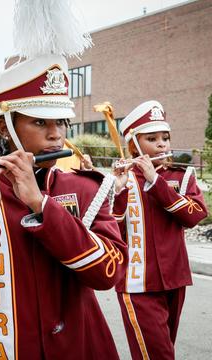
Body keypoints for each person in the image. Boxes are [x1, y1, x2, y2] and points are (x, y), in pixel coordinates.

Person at [0, 53, 128, 359]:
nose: (55, 134)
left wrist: (41, 205)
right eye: (40, 121)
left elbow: (108, 274)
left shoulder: (86, 189)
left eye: (61, 122)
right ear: (5, 128)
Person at [112, 100, 207, 359]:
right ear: (134, 145)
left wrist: (156, 182)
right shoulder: (122, 179)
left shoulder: (182, 176)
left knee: (165, 349)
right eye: (152, 138)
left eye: (165, 137)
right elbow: (112, 228)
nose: (162, 144)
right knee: (158, 355)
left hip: (175, 280)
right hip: (136, 284)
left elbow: (194, 216)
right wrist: (117, 191)